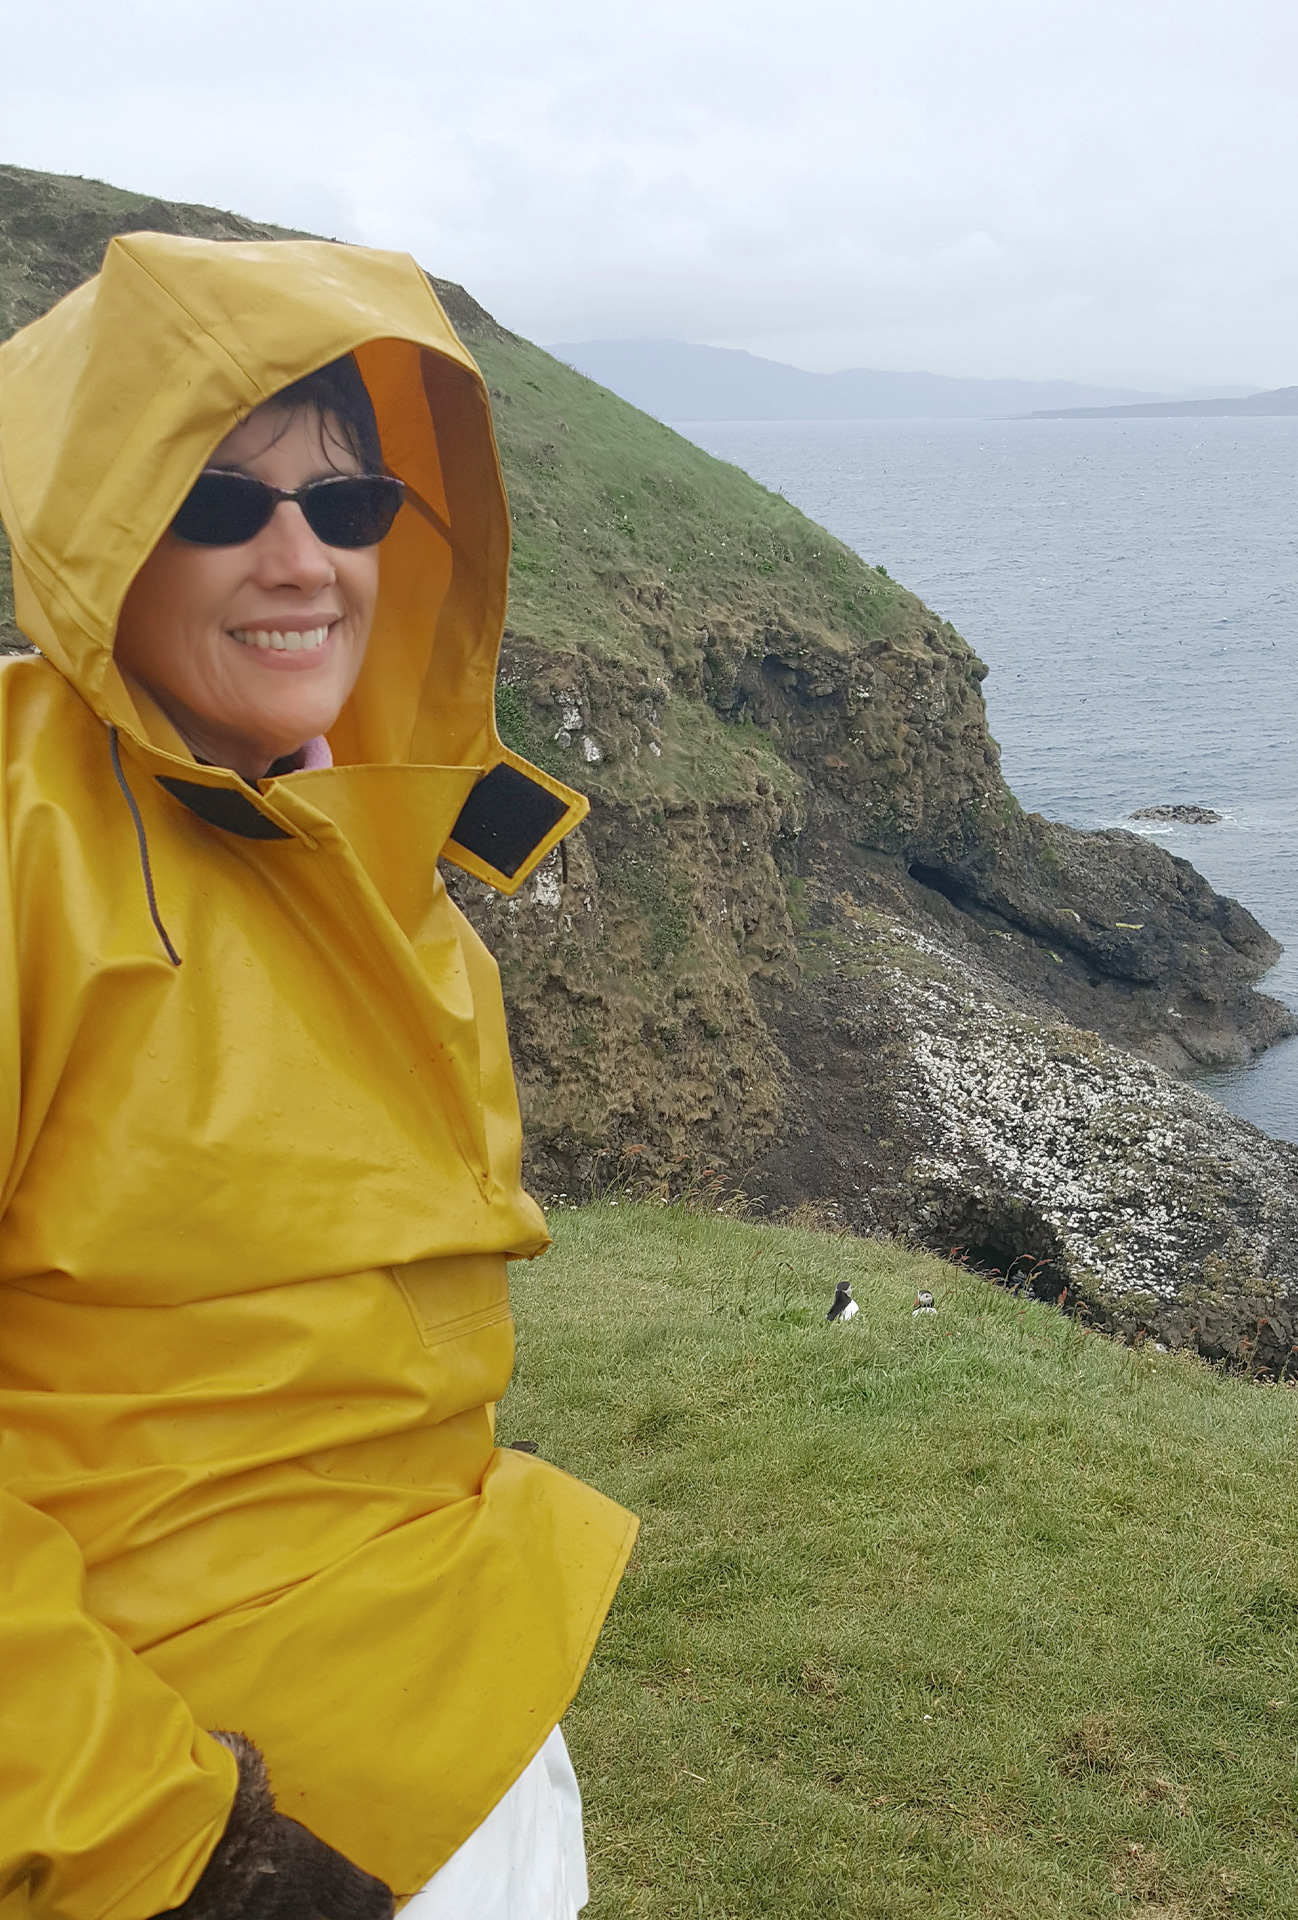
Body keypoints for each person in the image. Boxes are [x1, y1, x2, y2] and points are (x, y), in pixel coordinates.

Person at [0, 235, 635, 1917]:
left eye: (347, 509)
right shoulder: (22, 845)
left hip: (460, 1727)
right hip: (193, 1803)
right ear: (102, 534)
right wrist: (189, 1856)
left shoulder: (371, 861)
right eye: (219, 502)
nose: (300, 558)